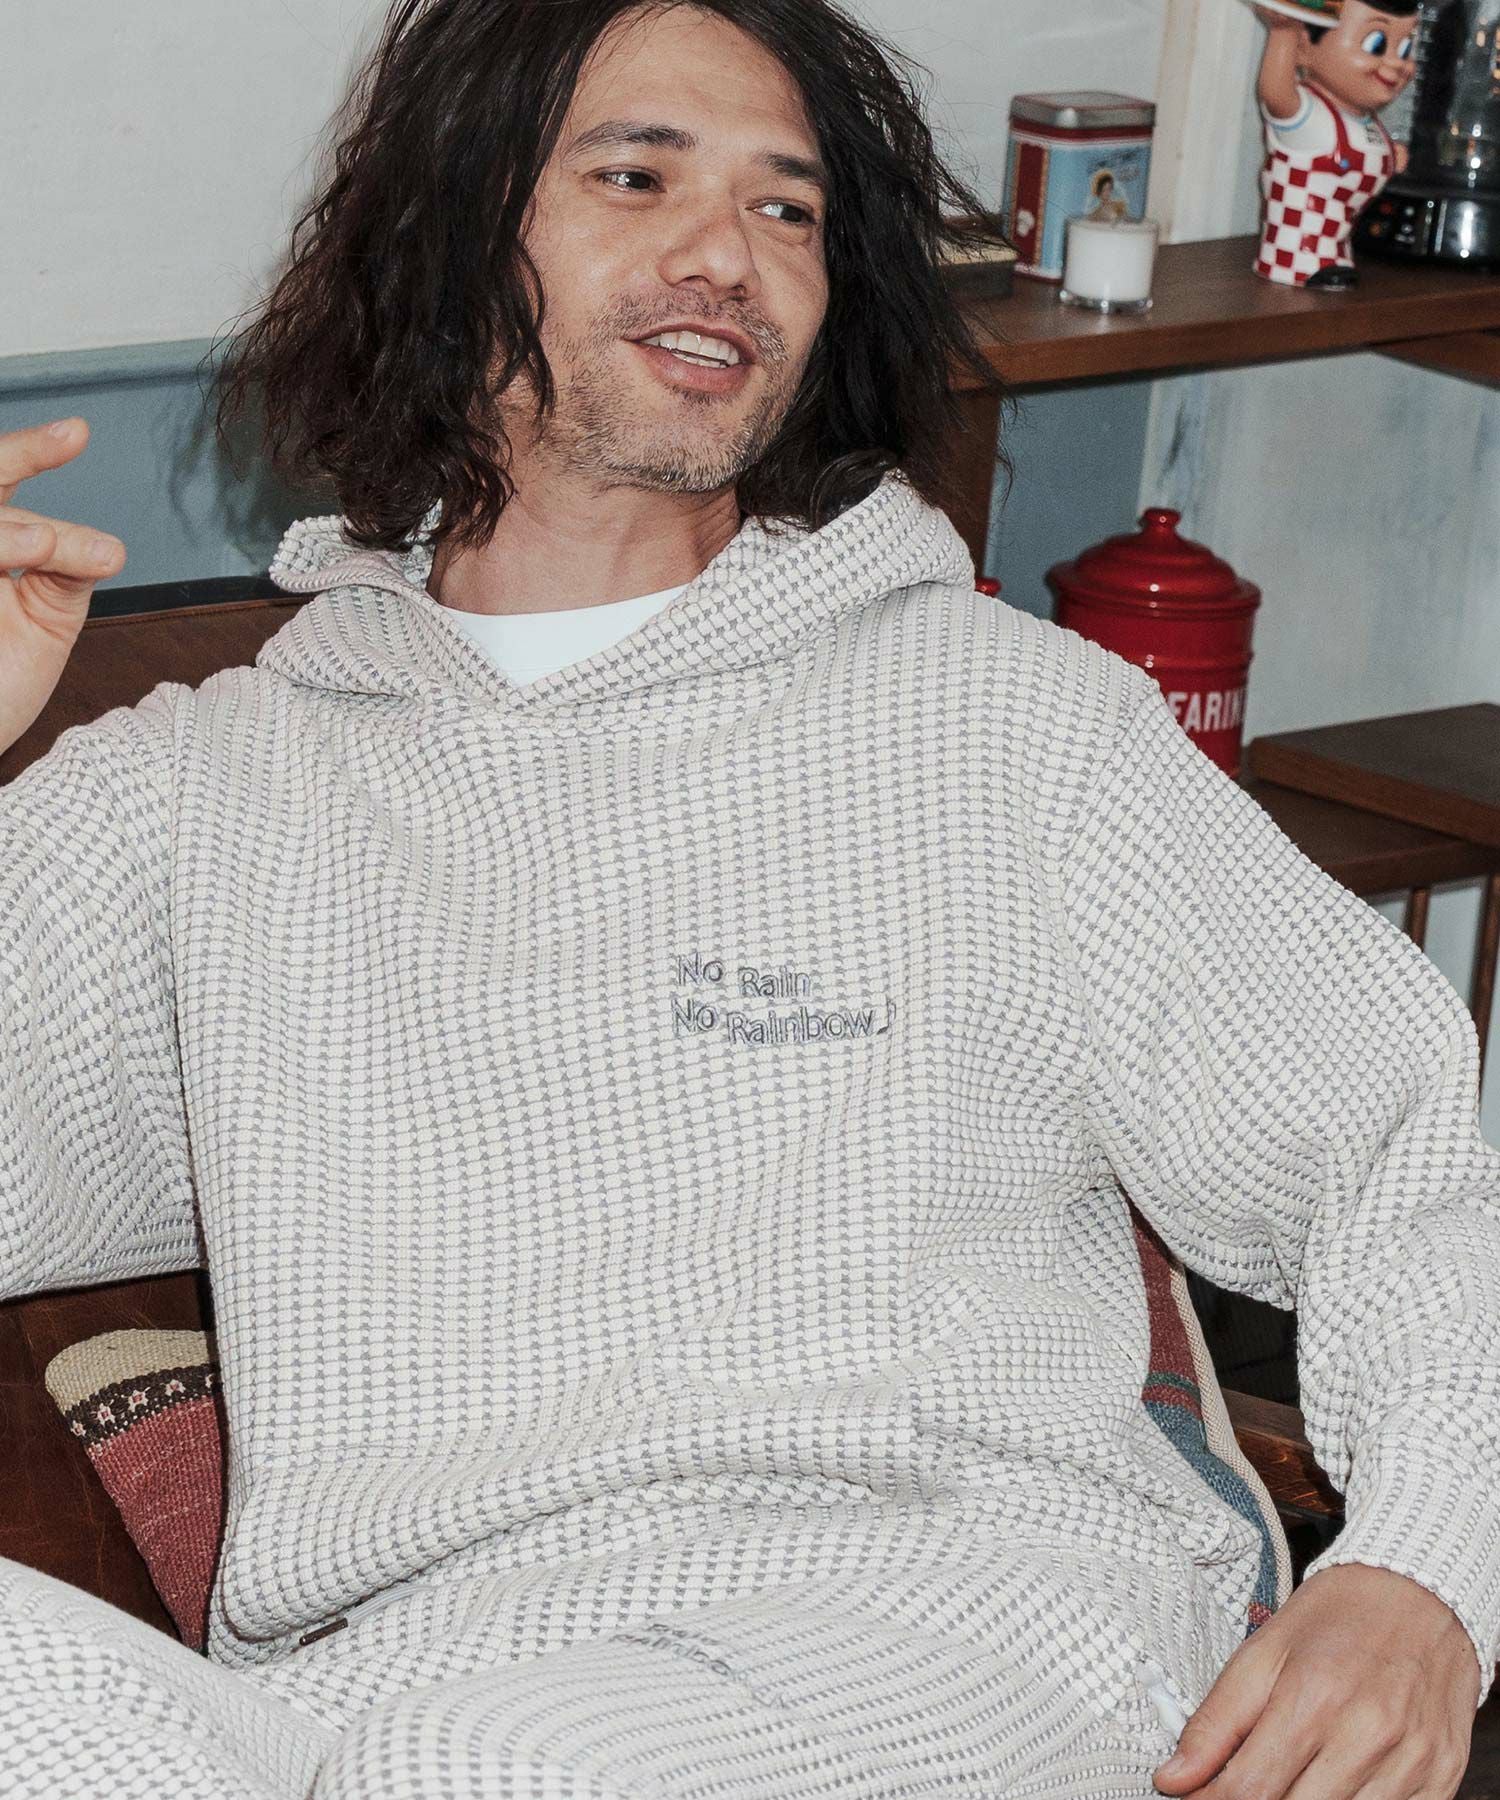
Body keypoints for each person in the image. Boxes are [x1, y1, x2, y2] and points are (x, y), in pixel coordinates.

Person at [2, 1, 1496, 1796]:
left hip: (969, 1623)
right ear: (449, 235)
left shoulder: (1008, 729)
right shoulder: (206, 793)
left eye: (789, 209)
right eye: (639, 178)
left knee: (499, 1766)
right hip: (409, 1681)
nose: (729, 252)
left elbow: (1404, 1157)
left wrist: (1425, 1574)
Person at [1252, 0, 1418, 288]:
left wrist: (1394, 154)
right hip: (1294, 256)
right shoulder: (1309, 116)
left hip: (1338, 252)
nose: (1396, 63)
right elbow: (1275, 94)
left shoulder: (1366, 121)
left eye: (1404, 49)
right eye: (1376, 44)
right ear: (1304, 47)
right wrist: (1283, 33)